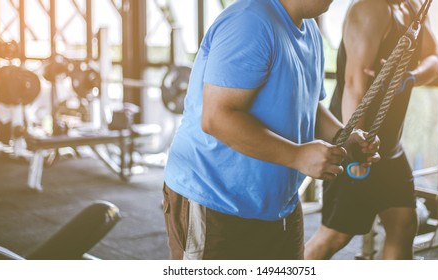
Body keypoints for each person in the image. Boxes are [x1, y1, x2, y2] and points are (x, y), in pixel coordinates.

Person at [162, 0, 380, 260]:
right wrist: (298, 156)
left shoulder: (310, 31)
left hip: (278, 204)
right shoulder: (250, 22)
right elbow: (217, 118)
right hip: (215, 198)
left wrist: (344, 137)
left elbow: (308, 103)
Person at [305, 0, 438, 260]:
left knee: (403, 223)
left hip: (388, 146)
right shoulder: (369, 9)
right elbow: (354, 84)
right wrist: (354, 149)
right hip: (356, 140)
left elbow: (435, 60)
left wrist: (411, 75)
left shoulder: (412, 8)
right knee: (335, 235)